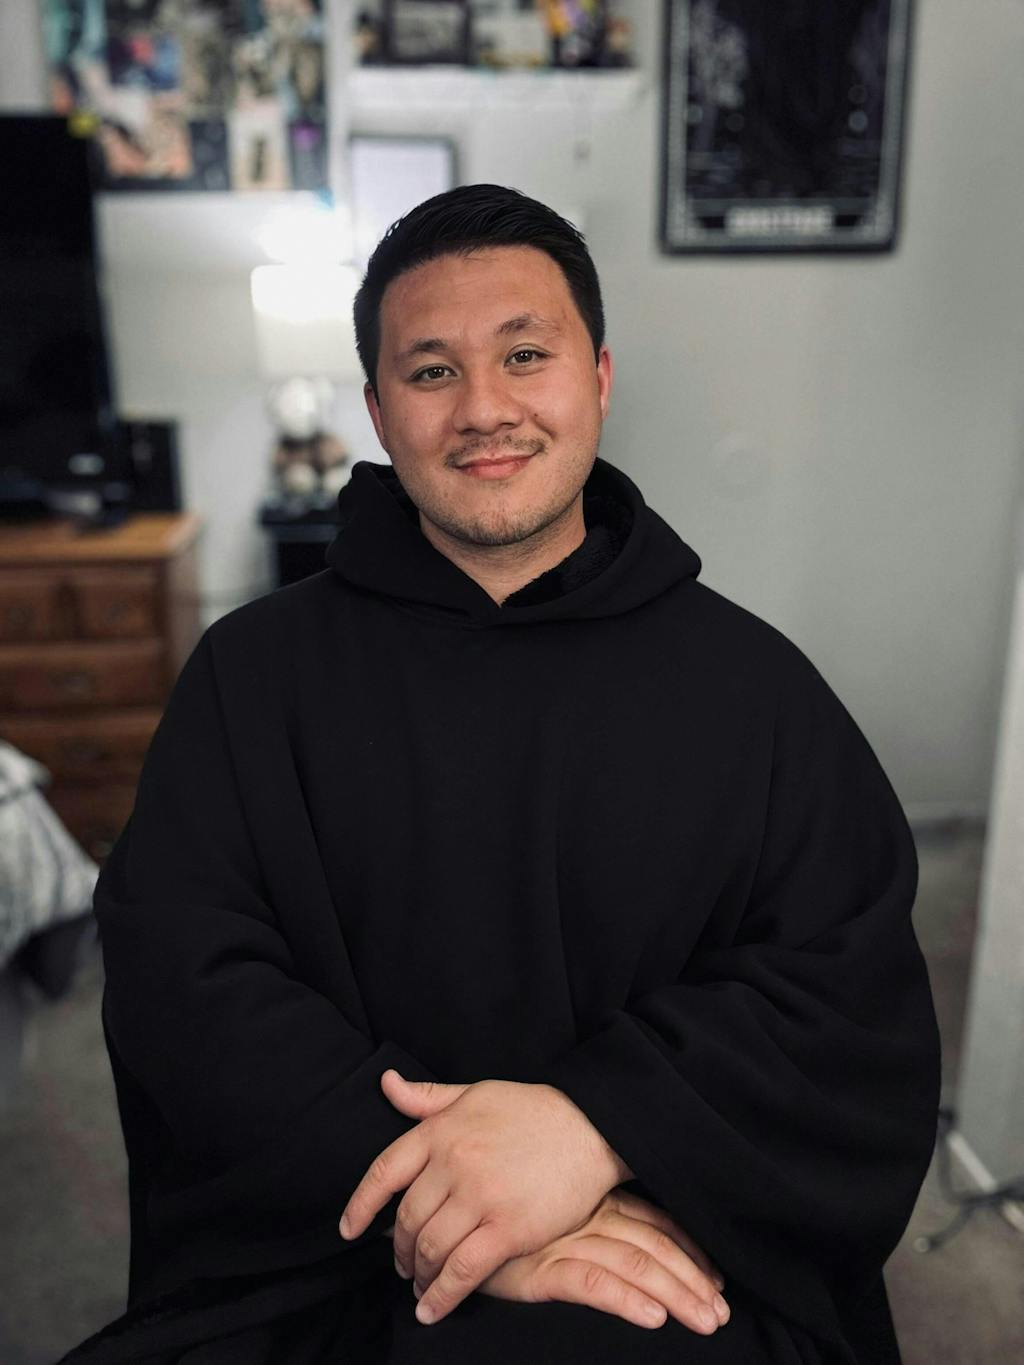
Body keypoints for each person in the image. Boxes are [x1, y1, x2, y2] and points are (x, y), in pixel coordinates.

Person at [60, 184, 940, 1364]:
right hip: (331, 1236)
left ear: (599, 378)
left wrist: (596, 1129)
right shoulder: (249, 676)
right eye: (431, 372)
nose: (484, 409)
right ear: (378, 412)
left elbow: (845, 1001)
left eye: (525, 354)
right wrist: (468, 1206)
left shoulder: (757, 689)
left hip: (666, 1226)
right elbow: (185, 984)